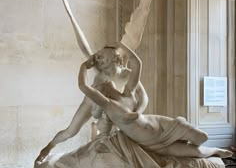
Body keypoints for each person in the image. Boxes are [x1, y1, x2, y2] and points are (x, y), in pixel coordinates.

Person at [78, 42, 232, 160]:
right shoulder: (108, 105)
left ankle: (188, 144)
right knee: (195, 152)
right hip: (150, 141)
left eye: (107, 81)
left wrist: (119, 46)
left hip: (159, 123)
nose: (107, 82)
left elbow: (137, 64)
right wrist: (84, 66)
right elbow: (83, 86)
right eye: (103, 85)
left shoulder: (128, 91)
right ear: (102, 92)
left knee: (202, 137)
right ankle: (215, 151)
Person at [35, 46, 148, 163]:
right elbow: (84, 48)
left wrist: (138, 113)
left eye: (102, 56)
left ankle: (100, 142)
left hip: (110, 105)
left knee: (117, 131)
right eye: (98, 57)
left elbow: (144, 97)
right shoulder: (100, 72)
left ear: (114, 57)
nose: (98, 59)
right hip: (91, 101)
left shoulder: (127, 74)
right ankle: (48, 148)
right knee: (70, 131)